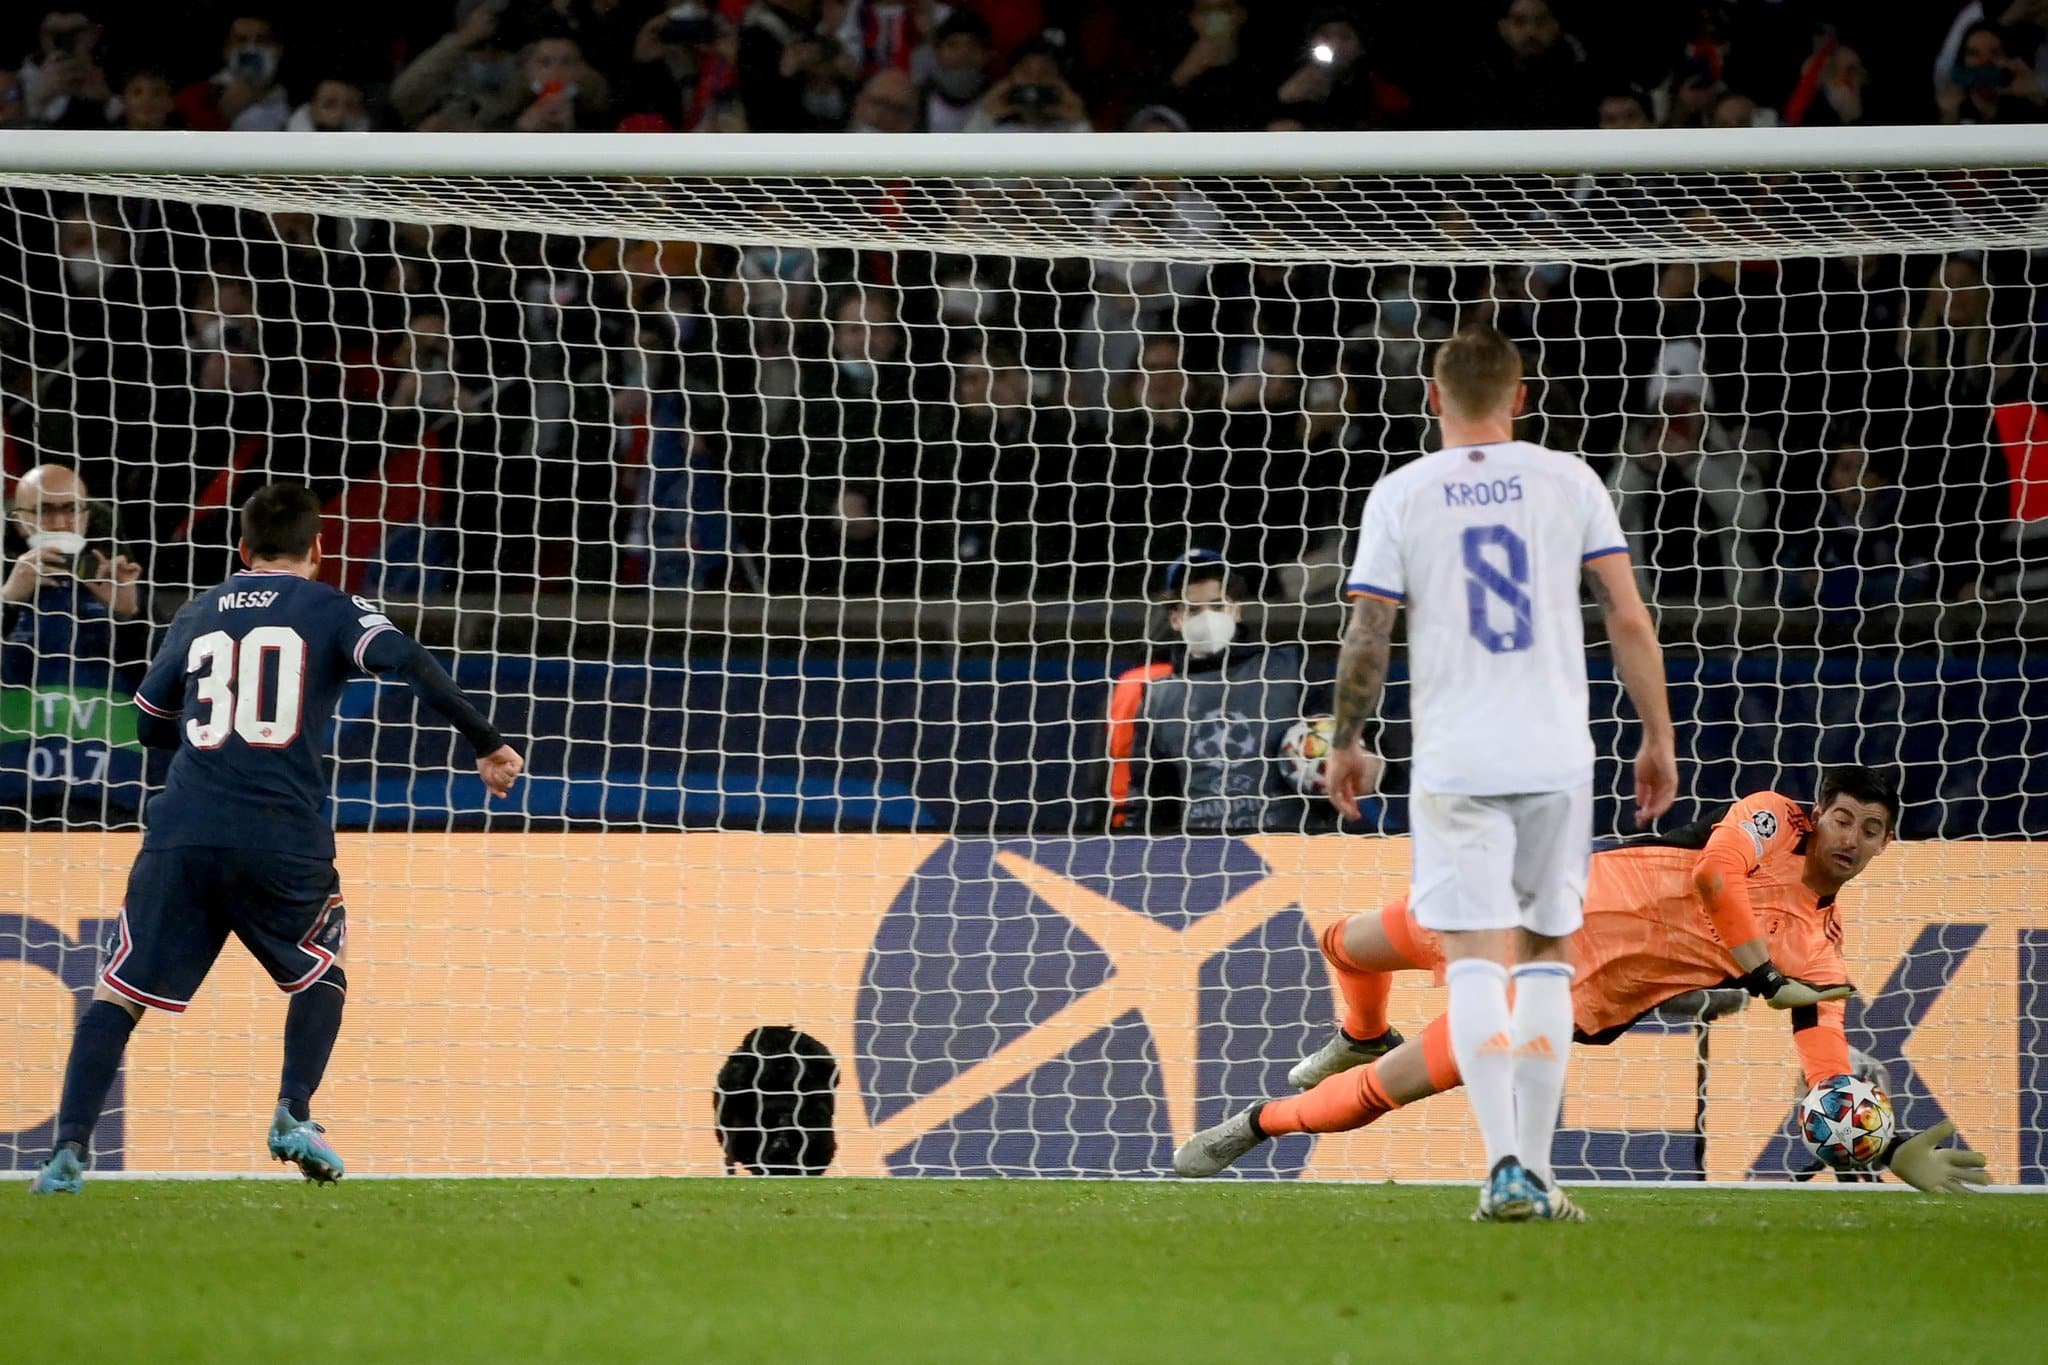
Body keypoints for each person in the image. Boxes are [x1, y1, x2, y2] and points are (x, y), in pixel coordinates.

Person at [28, 483, 524, 1194]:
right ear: (318, 551)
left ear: (242, 549)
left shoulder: (199, 610)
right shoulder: (333, 608)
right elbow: (408, 660)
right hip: (281, 831)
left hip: (184, 830)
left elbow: (147, 721)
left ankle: (68, 1150)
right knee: (324, 963)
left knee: (119, 992)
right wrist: (487, 743)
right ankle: (294, 1111)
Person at [1174, 768, 1993, 1196]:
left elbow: (1826, 1064)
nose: (1853, 837)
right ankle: (1359, 1031)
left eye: (1874, 830)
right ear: (1822, 814)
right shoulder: (1772, 816)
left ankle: (1255, 1123)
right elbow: (1714, 875)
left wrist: (1883, 1144)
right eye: (1846, 818)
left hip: (1554, 996)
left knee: (1376, 1097)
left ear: (1886, 848)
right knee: (1344, 942)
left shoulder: (1822, 954)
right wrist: (1760, 974)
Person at [1321, 326, 1677, 1221]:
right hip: (1555, 752)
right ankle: (1541, 1174)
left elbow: (1369, 630)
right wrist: (1658, 736)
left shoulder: (1402, 492)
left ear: (1433, 398)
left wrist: (1347, 738)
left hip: (1457, 757)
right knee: (1549, 961)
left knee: (1476, 961)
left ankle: (1505, 1166)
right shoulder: (1571, 481)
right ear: (1522, 397)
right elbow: (1628, 618)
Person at [1102, 550, 1316, 835]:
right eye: (1194, 609)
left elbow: (1356, 749)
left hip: (1290, 855)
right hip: (1203, 863)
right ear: (1176, 619)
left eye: (1217, 606)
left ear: (1236, 609)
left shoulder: (1289, 670)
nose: (1208, 618)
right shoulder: (1157, 699)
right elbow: (1148, 803)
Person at [0, 463, 151, 828]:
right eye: (44, 510)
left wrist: (130, 615)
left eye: (71, 509)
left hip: (109, 801)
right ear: (19, 521)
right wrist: (7, 601)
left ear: (86, 516)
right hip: (12, 801)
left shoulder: (119, 588)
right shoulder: (9, 590)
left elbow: (164, 689)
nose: (60, 522)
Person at [173, 15, 291, 132]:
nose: (251, 48)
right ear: (226, 50)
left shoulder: (293, 100)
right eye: (241, 40)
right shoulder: (194, 98)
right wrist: (221, 115)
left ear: (278, 50)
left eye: (261, 40)